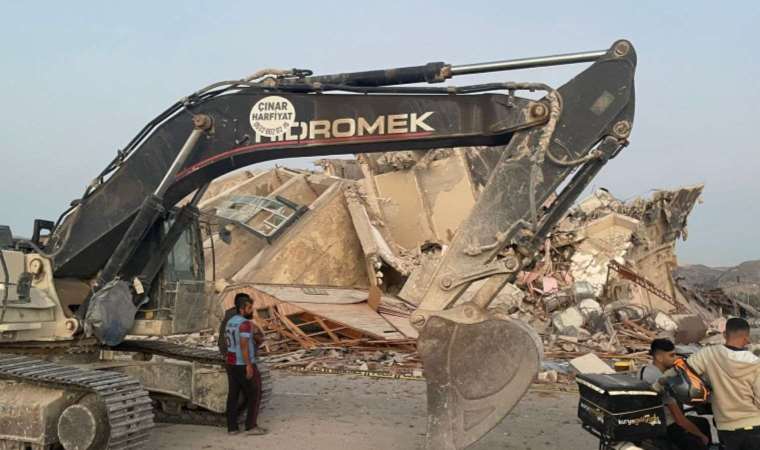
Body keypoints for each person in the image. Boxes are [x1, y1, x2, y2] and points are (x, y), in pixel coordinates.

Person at [688, 317, 760, 450]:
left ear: (725, 334)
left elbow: (682, 370)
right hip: (755, 426)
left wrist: (657, 386)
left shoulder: (708, 354)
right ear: (747, 338)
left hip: (725, 428)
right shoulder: (756, 363)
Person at [640, 338, 711, 449]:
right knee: (699, 439)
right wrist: (701, 436)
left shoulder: (644, 370)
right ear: (659, 357)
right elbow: (679, 419)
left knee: (702, 422)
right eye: (671, 356)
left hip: (649, 423)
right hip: (665, 427)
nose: (676, 358)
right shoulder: (660, 380)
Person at [223, 293, 267, 435]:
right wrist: (248, 365)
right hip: (243, 363)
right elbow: (243, 346)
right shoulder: (245, 324)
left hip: (231, 362)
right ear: (242, 309)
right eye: (249, 308)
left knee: (233, 395)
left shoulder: (230, 321)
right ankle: (251, 426)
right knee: (255, 393)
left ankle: (232, 428)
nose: (251, 310)